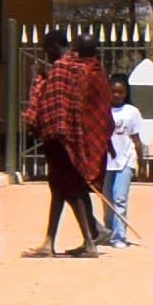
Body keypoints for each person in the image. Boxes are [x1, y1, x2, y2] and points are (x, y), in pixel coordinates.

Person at [25, 36, 113, 256]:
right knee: (60, 189)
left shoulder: (62, 69)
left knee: (72, 190)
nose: (47, 55)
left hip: (61, 138)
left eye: (47, 51)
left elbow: (52, 103)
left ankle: (90, 240)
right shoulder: (83, 69)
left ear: (55, 47)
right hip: (75, 137)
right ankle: (49, 242)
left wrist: (35, 83)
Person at [100, 60, 153, 250]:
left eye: (120, 92)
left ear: (126, 93)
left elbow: (137, 140)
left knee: (120, 198)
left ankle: (119, 236)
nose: (116, 95)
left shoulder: (132, 112)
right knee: (106, 199)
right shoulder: (101, 110)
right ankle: (108, 231)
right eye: (113, 91)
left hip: (125, 160)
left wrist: (142, 163)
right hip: (105, 162)